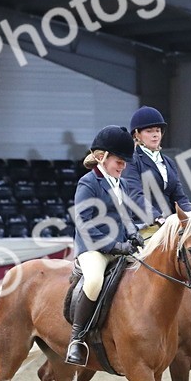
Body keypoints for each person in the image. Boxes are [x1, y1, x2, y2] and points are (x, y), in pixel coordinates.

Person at [66, 125, 142, 366]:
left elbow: (126, 216)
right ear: (102, 157)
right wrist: (115, 246)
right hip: (93, 248)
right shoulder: (88, 183)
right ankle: (76, 339)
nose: (123, 166)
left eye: (124, 162)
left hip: (119, 246)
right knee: (95, 280)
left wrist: (134, 234)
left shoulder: (121, 184)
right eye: (119, 161)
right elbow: (85, 224)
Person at [120, 106, 191, 237]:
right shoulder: (132, 160)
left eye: (158, 130)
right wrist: (157, 218)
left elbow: (179, 196)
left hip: (170, 226)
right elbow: (135, 195)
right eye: (149, 131)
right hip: (144, 226)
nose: (155, 134)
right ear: (137, 134)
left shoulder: (168, 162)